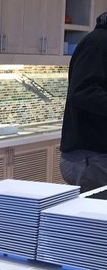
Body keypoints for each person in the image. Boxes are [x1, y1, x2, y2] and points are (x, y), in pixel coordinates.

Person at [60, 12, 107, 193]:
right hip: (91, 158)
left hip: (95, 156)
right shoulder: (99, 42)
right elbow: (83, 92)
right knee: (94, 210)